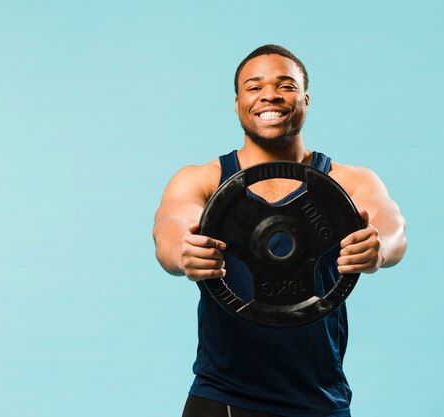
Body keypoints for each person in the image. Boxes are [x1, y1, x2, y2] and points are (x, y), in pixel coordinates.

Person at [152, 45, 407, 417]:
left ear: (305, 98)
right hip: (223, 397)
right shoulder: (203, 180)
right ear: (238, 103)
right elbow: (170, 227)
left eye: (285, 85)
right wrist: (182, 252)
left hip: (320, 399)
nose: (269, 95)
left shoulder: (348, 181)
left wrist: (379, 246)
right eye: (254, 87)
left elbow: (392, 225)